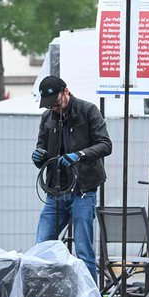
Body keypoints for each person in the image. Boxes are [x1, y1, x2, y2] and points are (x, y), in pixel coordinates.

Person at [31, 76, 112, 284]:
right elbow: (44, 152)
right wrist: (39, 156)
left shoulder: (88, 110)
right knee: (41, 244)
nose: (55, 109)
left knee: (84, 249)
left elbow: (105, 145)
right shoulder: (47, 118)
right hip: (55, 191)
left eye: (57, 104)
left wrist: (80, 155)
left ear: (66, 91)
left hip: (83, 190)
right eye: (50, 107)